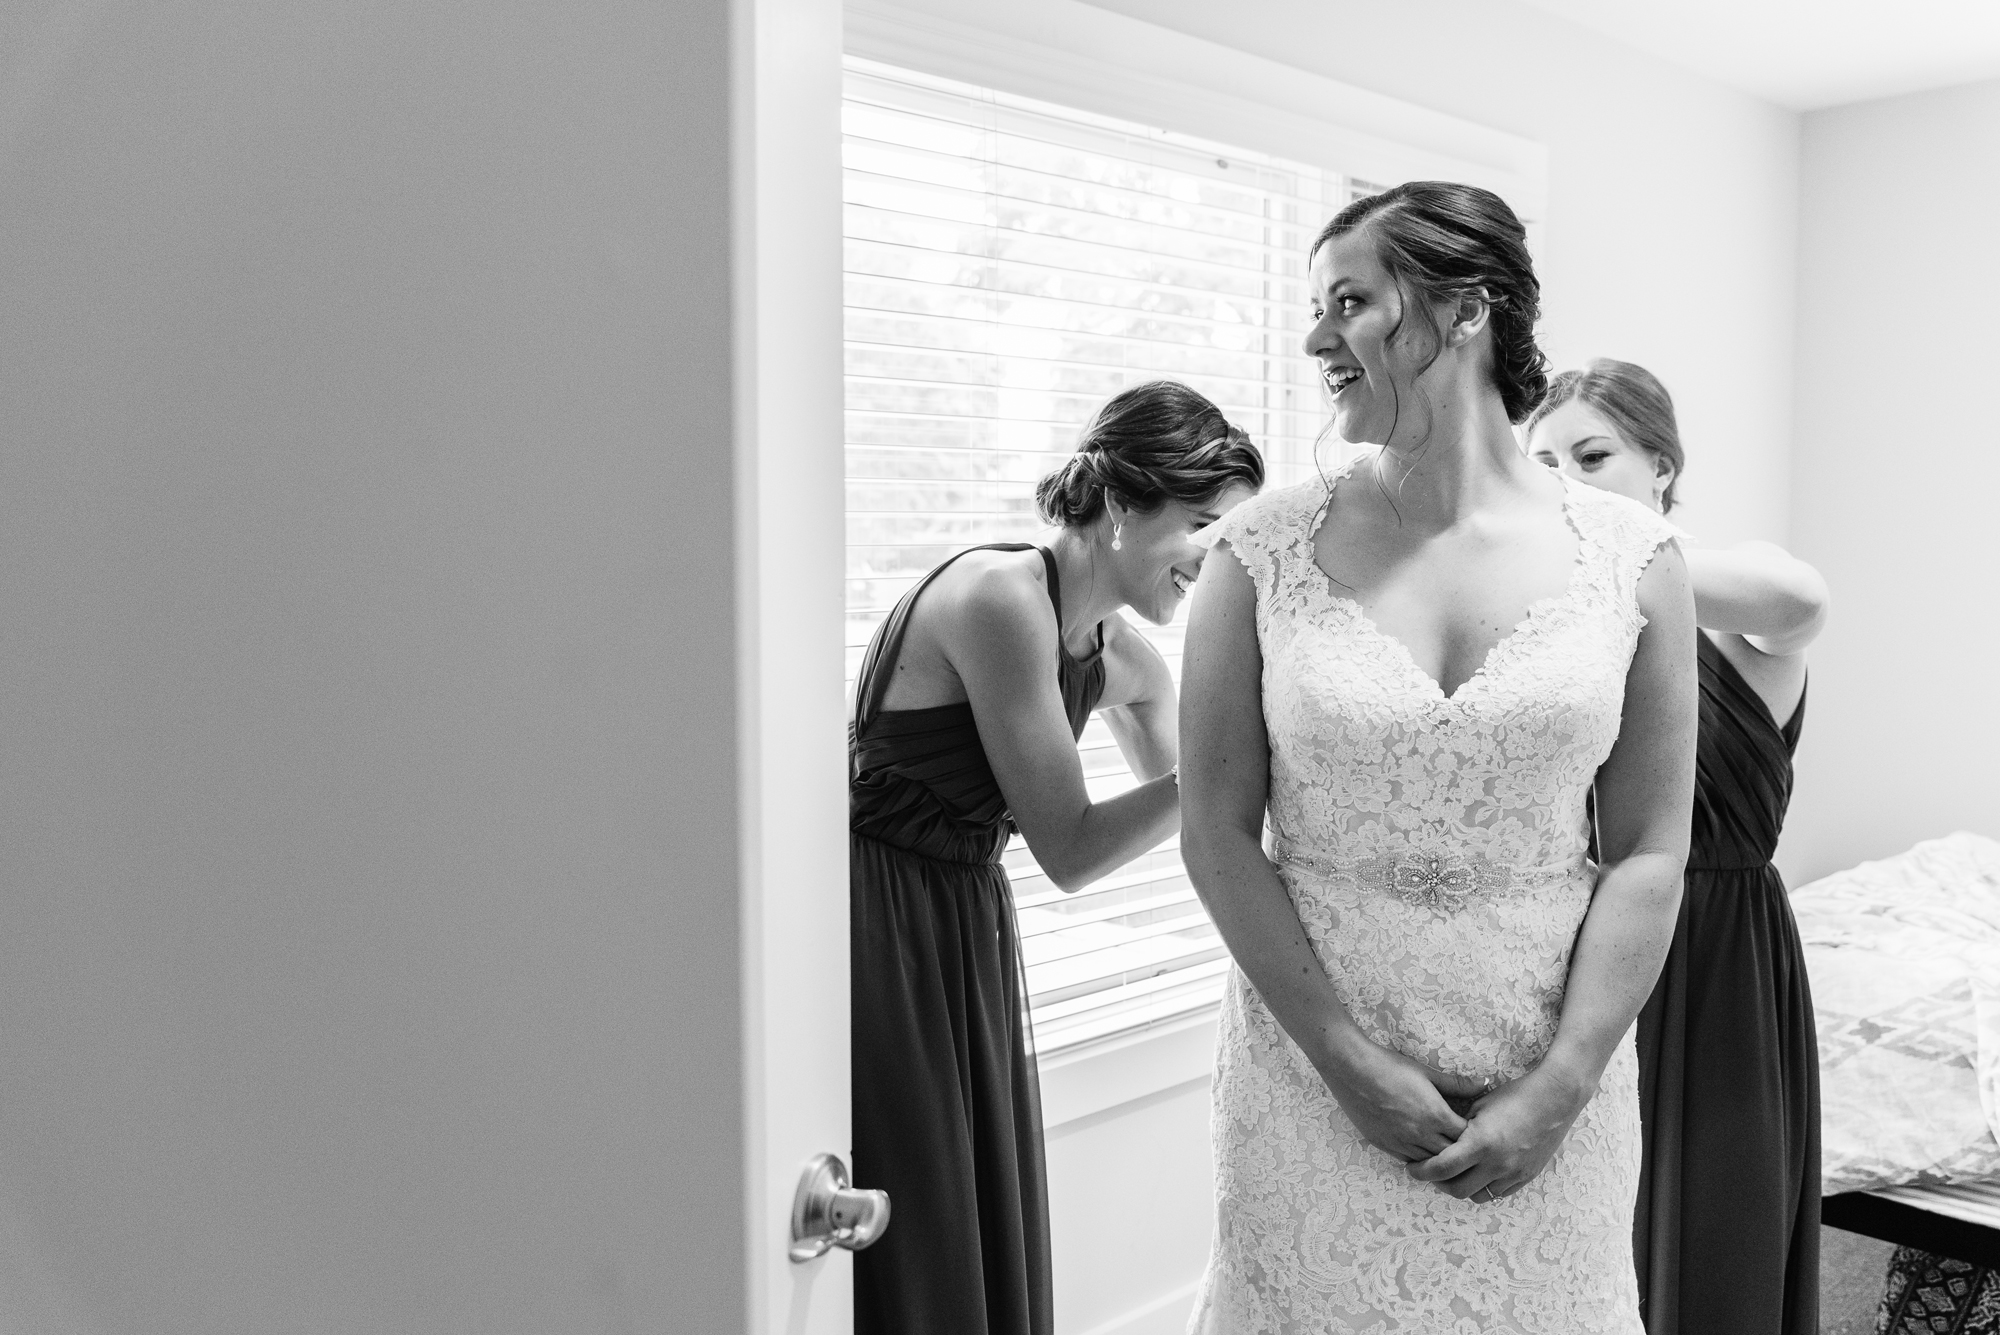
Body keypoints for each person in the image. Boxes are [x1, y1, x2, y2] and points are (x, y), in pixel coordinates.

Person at [1178, 182, 1698, 1333]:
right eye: (1315, 308)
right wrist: (1345, 1063)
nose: (1316, 336)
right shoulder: (1256, 552)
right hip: (1309, 1083)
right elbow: (1214, 830)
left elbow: (1652, 848)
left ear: (1465, 309)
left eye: (1349, 302)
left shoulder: (1632, 558)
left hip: (1546, 1080)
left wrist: (1561, 1085)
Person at [848, 380, 1262, 1335]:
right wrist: (1227, 759)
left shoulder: (1125, 659)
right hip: (873, 917)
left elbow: (1213, 818)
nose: (1213, 558)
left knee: (965, 1194)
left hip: (961, 919)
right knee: (911, 1197)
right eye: (1201, 523)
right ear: (1120, 505)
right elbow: (1073, 848)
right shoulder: (1001, 598)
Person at [1527, 359, 1828, 1335]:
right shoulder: (1557, 631)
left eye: (1591, 456)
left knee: (1712, 1240)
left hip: (1719, 954)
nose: (1564, 483)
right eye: (1542, 465)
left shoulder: (1743, 611)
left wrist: (1614, 549)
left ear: (1659, 466)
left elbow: (1799, 599)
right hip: (1586, 949)